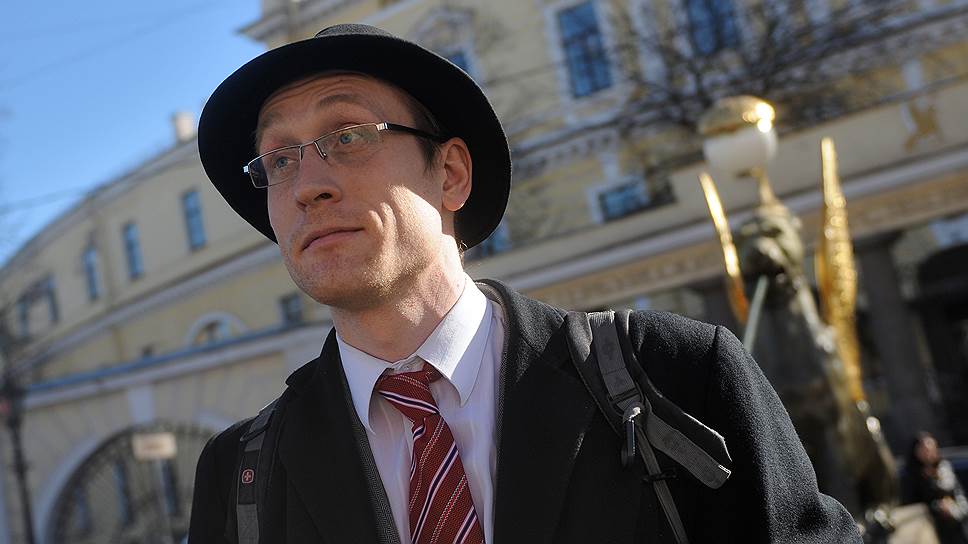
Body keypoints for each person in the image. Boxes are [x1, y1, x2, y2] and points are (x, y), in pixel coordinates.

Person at [187, 24, 860, 543]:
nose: (307, 185)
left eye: (348, 135)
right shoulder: (239, 472)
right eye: (278, 159)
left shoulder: (677, 379)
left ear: (451, 174)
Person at [902, 432, 968, 544]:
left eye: (931, 448)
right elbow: (910, 507)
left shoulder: (945, 468)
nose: (928, 453)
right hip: (929, 532)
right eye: (924, 450)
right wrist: (938, 507)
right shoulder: (912, 477)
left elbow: (960, 496)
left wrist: (955, 510)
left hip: (957, 527)